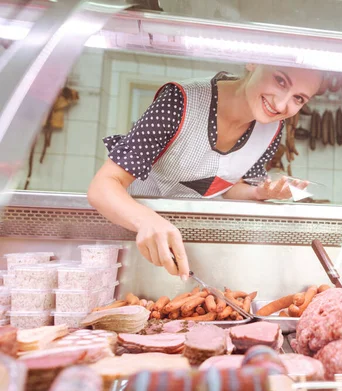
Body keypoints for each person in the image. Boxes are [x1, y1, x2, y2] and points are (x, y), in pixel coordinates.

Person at [88, 64, 322, 280]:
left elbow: (227, 188)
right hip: (135, 238)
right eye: (280, 81)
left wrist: (258, 193)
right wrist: (146, 220)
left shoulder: (272, 129)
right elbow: (103, 185)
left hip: (195, 244)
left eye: (298, 98)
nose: (281, 106)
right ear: (253, 62)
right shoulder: (179, 102)